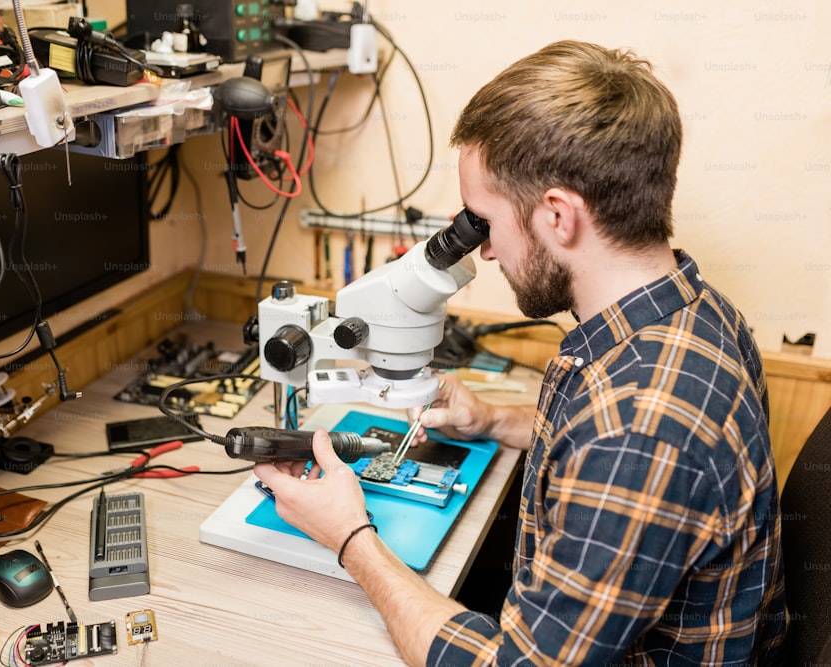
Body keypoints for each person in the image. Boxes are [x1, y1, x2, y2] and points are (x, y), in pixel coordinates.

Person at [254, 40, 787, 665]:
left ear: (558, 214)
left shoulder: (640, 427)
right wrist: (494, 421)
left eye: (484, 221)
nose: (481, 251)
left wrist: (350, 539)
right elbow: (598, 448)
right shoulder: (696, 310)